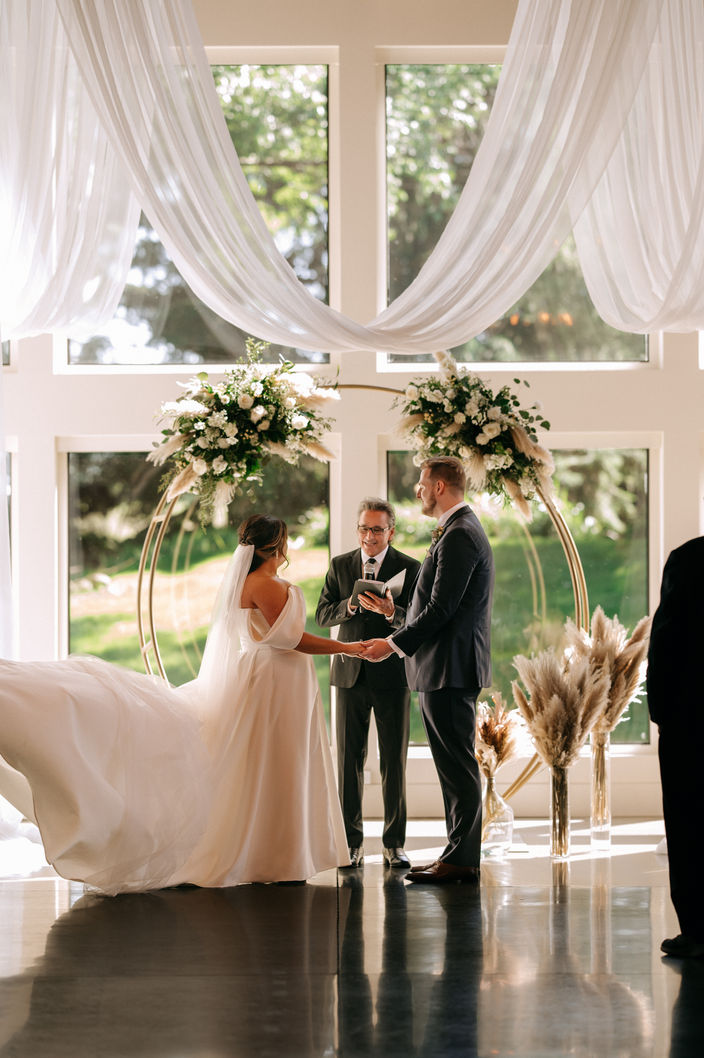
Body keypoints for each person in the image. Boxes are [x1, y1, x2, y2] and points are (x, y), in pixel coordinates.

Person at [0, 514, 363, 894]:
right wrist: (348, 647)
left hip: (279, 680)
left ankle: (273, 853)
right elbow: (290, 640)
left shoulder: (253, 581)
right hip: (275, 682)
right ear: (277, 544)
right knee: (278, 764)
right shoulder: (265, 584)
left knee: (271, 764)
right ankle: (276, 855)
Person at [361, 457, 494, 885]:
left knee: (457, 766)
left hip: (451, 669)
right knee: (452, 766)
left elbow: (442, 609)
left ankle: (461, 859)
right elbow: (436, 608)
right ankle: (457, 855)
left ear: (438, 486)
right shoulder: (455, 530)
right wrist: (394, 615)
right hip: (443, 667)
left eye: (421, 483)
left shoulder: (460, 534)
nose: (417, 490)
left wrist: (391, 644)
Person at [316, 498, 421, 868]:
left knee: (394, 761)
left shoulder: (410, 567)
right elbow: (322, 615)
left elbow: (419, 621)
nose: (369, 536)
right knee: (348, 763)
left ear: (391, 532)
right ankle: (350, 844)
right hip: (350, 675)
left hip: (393, 676)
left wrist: (392, 612)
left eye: (377, 529)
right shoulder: (340, 565)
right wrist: (351, 606)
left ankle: (394, 844)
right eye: (364, 528)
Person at [647, 536, 704, 958]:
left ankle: (698, 931)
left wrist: (661, 711)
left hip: (692, 716)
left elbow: (665, 640)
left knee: (689, 823)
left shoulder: (689, 560)